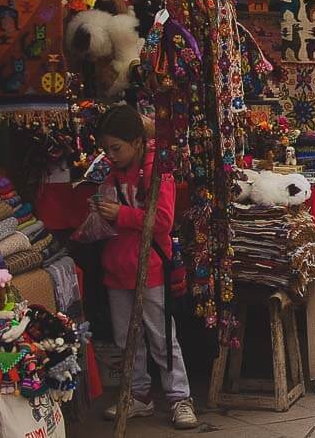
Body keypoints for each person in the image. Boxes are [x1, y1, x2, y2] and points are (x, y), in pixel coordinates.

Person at [95, 105, 198, 429]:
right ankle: (137, 395)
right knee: (127, 338)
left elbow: (164, 222)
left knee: (161, 337)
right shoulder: (109, 173)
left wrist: (121, 216)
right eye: (106, 149)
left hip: (150, 264)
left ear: (138, 143)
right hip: (117, 266)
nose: (111, 155)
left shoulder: (159, 171)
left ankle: (180, 397)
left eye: (117, 148)